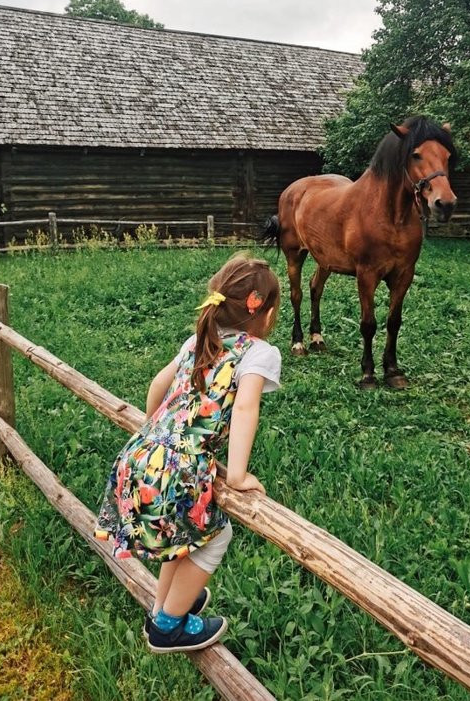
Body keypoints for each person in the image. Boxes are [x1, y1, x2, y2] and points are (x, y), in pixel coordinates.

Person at [94, 253, 281, 653]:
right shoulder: (258, 352)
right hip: (179, 466)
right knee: (215, 536)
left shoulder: (199, 340)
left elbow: (155, 387)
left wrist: (156, 432)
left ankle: (164, 605)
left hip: (143, 452)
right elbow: (246, 406)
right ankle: (169, 625)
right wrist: (238, 476)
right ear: (262, 312)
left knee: (180, 534)